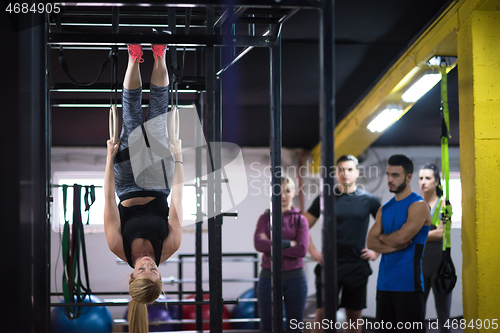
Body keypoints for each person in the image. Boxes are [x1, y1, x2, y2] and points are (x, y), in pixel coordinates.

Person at [104, 44, 184, 333]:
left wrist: (109, 159)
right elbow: (178, 199)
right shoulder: (171, 245)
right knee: (159, 115)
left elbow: (107, 201)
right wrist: (178, 158)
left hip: (125, 183)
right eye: (153, 271)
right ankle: (160, 55)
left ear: (131, 275)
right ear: (161, 278)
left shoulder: (118, 246)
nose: (148, 265)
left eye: (142, 270)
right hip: (161, 181)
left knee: (133, 117)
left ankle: (134, 58)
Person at [303, 155, 381, 333]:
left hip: (356, 265)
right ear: (336, 172)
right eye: (341, 169)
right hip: (329, 265)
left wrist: (376, 252)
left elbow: (386, 226)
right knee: (323, 314)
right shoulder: (325, 197)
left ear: (357, 172)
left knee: (353, 316)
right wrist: (313, 251)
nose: (345, 173)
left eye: (349, 169)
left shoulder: (369, 200)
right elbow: (303, 225)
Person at [367, 154, 431, 333]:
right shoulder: (384, 208)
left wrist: (384, 238)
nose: (389, 180)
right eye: (388, 174)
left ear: (409, 177)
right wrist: (390, 243)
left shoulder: (419, 206)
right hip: (384, 285)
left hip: (408, 286)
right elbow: (370, 241)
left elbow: (402, 239)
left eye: (395, 175)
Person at [254, 177, 309, 333]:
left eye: (287, 191)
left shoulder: (300, 220)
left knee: (295, 328)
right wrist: (289, 243)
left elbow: (302, 249)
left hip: (295, 279)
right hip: (268, 278)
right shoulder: (265, 219)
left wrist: (271, 244)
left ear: (293, 193)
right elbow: (259, 244)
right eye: (279, 191)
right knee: (267, 328)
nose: (283, 196)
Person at [419, 163, 451, 333]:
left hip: (440, 264)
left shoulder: (444, 203)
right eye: (421, 178)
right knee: (417, 313)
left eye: (428, 178)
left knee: (443, 313)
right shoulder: (414, 204)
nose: (423, 182)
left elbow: (443, 234)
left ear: (436, 181)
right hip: (419, 265)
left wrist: (418, 236)